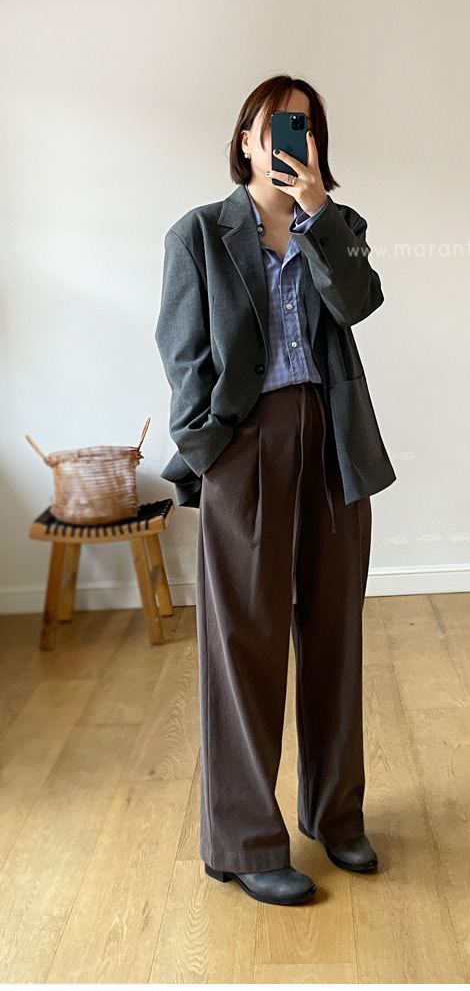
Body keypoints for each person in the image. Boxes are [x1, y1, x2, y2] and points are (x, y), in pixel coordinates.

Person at [156, 73, 394, 907]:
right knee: (244, 645)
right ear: (246, 139)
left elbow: (358, 303)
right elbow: (183, 355)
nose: (290, 138)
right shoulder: (199, 233)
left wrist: (317, 210)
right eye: (275, 125)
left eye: (305, 126)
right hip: (244, 446)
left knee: (335, 632)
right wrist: (211, 449)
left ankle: (336, 814)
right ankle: (245, 840)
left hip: (332, 442)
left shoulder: (340, 225)